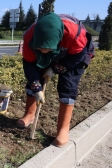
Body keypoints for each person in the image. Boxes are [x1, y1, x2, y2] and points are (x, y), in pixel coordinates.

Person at [17, 13, 94, 147]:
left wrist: (55, 68)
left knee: (68, 85)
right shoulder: (30, 37)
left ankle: (62, 129)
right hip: (53, 50)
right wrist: (36, 88)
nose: (41, 50)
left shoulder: (75, 35)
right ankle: (29, 115)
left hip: (73, 55)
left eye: (44, 48)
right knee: (35, 77)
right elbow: (29, 65)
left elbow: (76, 58)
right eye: (39, 47)